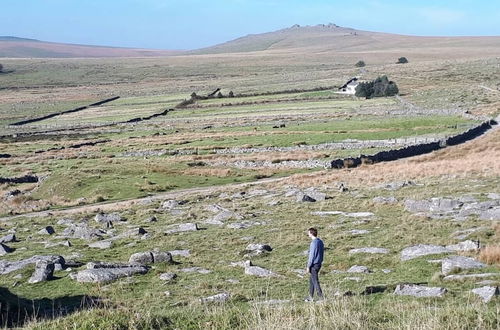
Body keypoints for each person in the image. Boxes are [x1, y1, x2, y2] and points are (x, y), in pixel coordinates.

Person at [305, 227, 324, 301]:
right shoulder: (320, 241)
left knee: (315, 280)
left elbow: (311, 255)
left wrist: (308, 266)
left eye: (308, 232)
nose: (308, 234)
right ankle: (310, 296)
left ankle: (321, 297)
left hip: (314, 264)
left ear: (311, 233)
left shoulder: (313, 243)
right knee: (312, 280)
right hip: (319, 263)